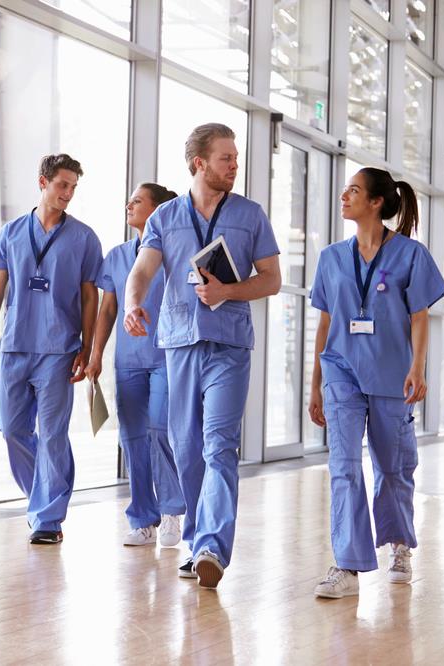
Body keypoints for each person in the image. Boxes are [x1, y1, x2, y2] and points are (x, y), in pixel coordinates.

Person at [123, 124, 281, 589]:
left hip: (229, 346)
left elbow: (270, 278)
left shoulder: (250, 215)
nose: (235, 165)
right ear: (199, 163)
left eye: (235, 158)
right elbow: (142, 271)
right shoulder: (165, 218)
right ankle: (196, 542)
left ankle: (212, 544)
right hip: (179, 344)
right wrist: (134, 304)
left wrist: (228, 291)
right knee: (188, 448)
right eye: (226, 158)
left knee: (218, 445)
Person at [307, 167, 444, 599]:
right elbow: (325, 321)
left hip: (391, 374)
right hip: (341, 374)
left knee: (393, 468)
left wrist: (418, 367)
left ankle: (400, 544)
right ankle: (347, 565)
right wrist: (315, 384)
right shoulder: (331, 257)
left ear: (376, 203)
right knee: (344, 468)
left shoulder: (410, 254)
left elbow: (420, 316)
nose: (344, 195)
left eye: (354, 190)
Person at [0, 153, 103, 545]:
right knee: (12, 429)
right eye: (62, 185)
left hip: (59, 349)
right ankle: (41, 498)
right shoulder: (11, 232)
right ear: (42, 182)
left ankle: (48, 517)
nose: (68, 193)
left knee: (52, 434)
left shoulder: (84, 238)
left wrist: (87, 344)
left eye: (73, 187)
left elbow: (89, 297)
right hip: (15, 345)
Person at [85, 183, 186, 549]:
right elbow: (107, 309)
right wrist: (95, 355)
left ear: (159, 210)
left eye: (138, 200)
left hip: (166, 357)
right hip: (127, 361)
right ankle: (144, 518)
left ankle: (173, 510)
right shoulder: (116, 256)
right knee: (132, 440)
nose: (129, 204)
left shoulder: (174, 254)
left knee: (160, 429)